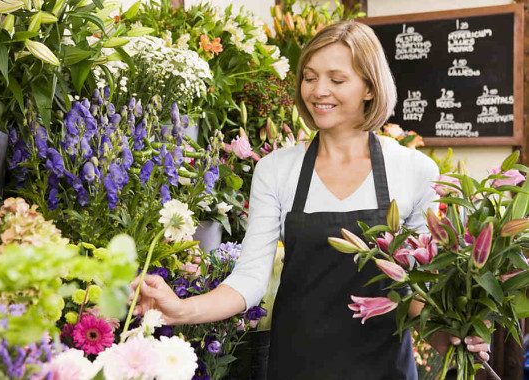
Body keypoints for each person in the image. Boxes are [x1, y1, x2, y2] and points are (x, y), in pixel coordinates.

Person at [131, 21, 489, 379]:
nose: (319, 91)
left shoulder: (415, 170)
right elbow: (251, 279)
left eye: (336, 79)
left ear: (369, 86)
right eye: (310, 77)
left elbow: (415, 284)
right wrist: (179, 308)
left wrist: (446, 332)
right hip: (298, 365)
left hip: (386, 368)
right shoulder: (276, 170)